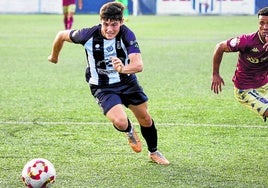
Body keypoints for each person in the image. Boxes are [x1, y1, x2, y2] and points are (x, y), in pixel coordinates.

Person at [48, 2, 170, 165]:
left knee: (145, 119)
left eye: (114, 24)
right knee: (120, 121)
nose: (110, 29)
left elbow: (138, 65)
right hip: (102, 86)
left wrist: (122, 69)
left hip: (127, 82)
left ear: (121, 22)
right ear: (101, 21)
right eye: (106, 24)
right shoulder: (87, 35)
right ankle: (129, 131)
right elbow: (61, 35)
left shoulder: (127, 34)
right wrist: (54, 56)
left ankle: (153, 152)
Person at [211, 7, 268, 122]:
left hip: (265, 84)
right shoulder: (246, 41)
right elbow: (220, 47)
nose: (265, 27)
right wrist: (215, 74)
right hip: (245, 88)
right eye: (261, 23)